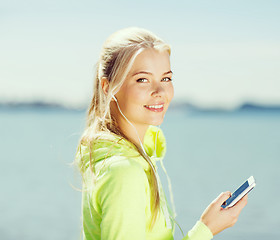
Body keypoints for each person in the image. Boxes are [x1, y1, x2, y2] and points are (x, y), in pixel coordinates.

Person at [74, 27, 248, 240]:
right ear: (108, 87)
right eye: (142, 79)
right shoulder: (124, 172)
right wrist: (206, 229)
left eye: (166, 78)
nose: (160, 92)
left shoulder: (130, 157)